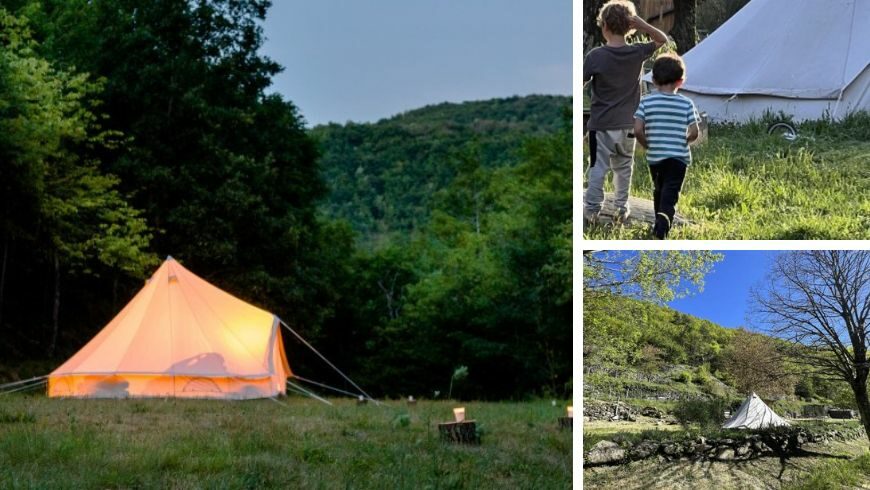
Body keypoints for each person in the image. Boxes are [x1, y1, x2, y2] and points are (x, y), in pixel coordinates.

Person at [583, 0, 667, 224]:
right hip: (628, 126)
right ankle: (621, 209)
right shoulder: (637, 52)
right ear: (630, 28)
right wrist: (643, 26)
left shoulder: (595, 56)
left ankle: (591, 211)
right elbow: (662, 39)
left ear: (604, 27)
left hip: (600, 126)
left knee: (597, 168)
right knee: (624, 168)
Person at [633, 52, 700, 239]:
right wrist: (685, 141)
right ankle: (662, 228)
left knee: (659, 190)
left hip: (656, 157)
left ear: (653, 80)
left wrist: (647, 144)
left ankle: (657, 222)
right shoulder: (686, 103)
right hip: (678, 158)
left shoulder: (646, 102)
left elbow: (637, 129)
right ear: (681, 81)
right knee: (670, 194)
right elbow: (695, 132)